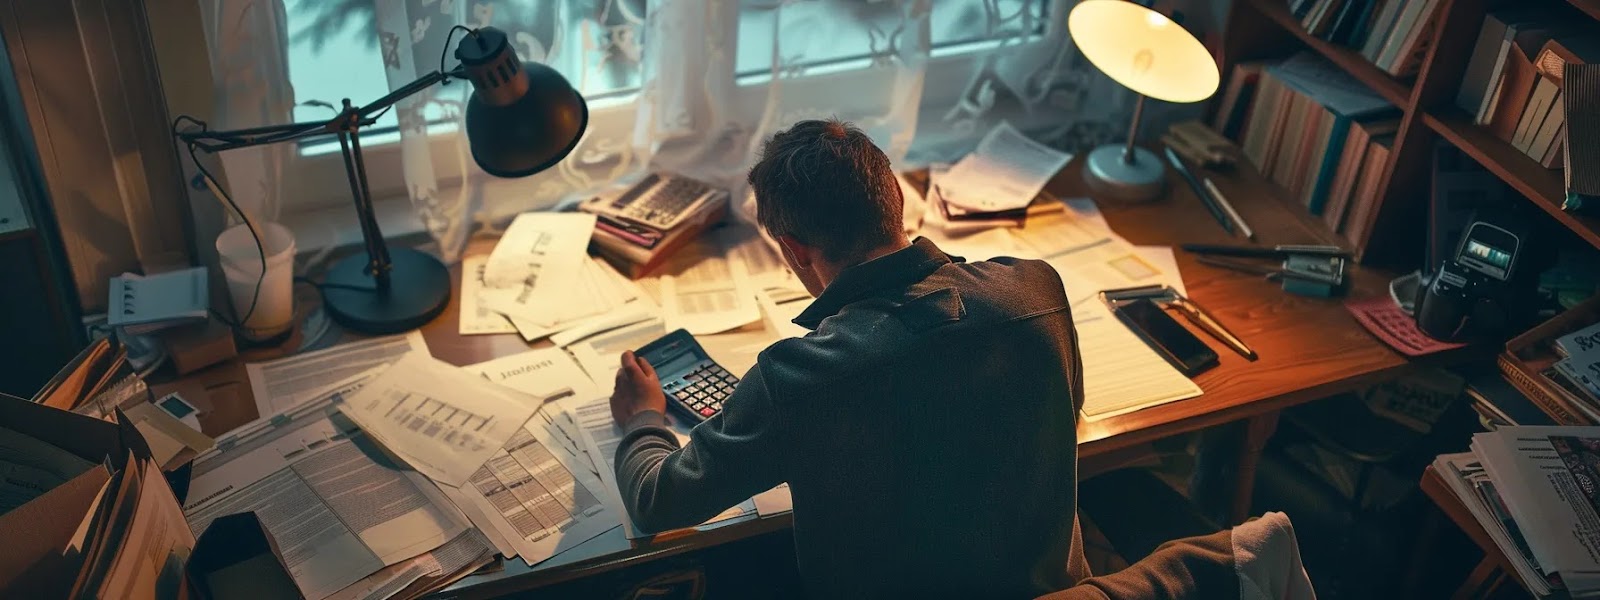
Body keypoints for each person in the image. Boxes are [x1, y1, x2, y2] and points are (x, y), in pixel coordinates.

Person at [608, 119, 1089, 597]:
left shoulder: (799, 377)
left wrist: (643, 417)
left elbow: (656, 503)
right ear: (896, 198)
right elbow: (1071, 408)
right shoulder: (1035, 290)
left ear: (795, 251)